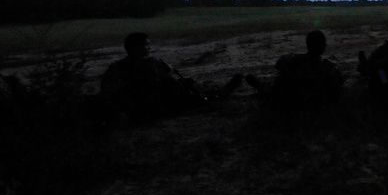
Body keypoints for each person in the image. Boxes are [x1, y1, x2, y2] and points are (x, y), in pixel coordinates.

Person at [99, 32, 242, 121]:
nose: (149, 48)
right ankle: (217, 94)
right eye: (146, 45)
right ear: (137, 47)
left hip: (133, 110)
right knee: (185, 87)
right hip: (156, 106)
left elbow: (107, 90)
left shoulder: (115, 67)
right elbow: (170, 73)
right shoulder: (152, 62)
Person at [247, 30, 344, 108]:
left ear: (307, 44)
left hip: (292, 103)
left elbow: (280, 64)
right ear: (323, 47)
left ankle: (262, 88)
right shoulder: (330, 67)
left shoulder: (293, 61)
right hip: (315, 105)